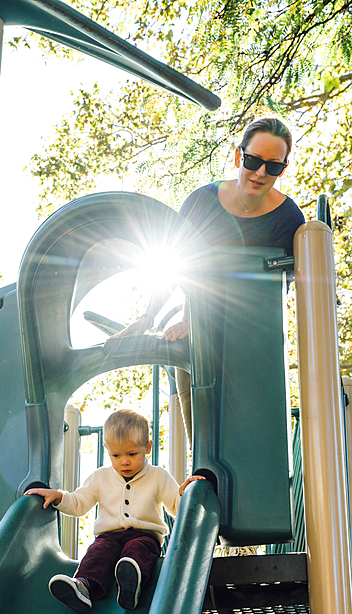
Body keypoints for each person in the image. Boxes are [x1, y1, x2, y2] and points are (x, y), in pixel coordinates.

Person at [113, 117, 305, 443]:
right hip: (197, 319)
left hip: (251, 331)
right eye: (253, 161)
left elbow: (273, 292)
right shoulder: (203, 202)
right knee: (189, 362)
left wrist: (204, 319)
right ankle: (202, 466)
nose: (259, 173)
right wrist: (150, 316)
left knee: (248, 429)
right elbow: (174, 262)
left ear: (283, 169)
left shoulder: (288, 220)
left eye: (272, 167)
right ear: (238, 157)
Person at [25, 408, 204, 613]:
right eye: (116, 455)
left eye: (132, 454)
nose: (124, 461)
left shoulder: (158, 476)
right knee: (96, 552)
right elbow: (78, 503)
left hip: (145, 536)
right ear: (106, 449)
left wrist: (185, 494)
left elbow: (176, 507)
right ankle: (82, 587)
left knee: (136, 551)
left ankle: (130, 586)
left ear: (147, 447)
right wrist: (58, 496)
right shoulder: (100, 478)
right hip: (108, 536)